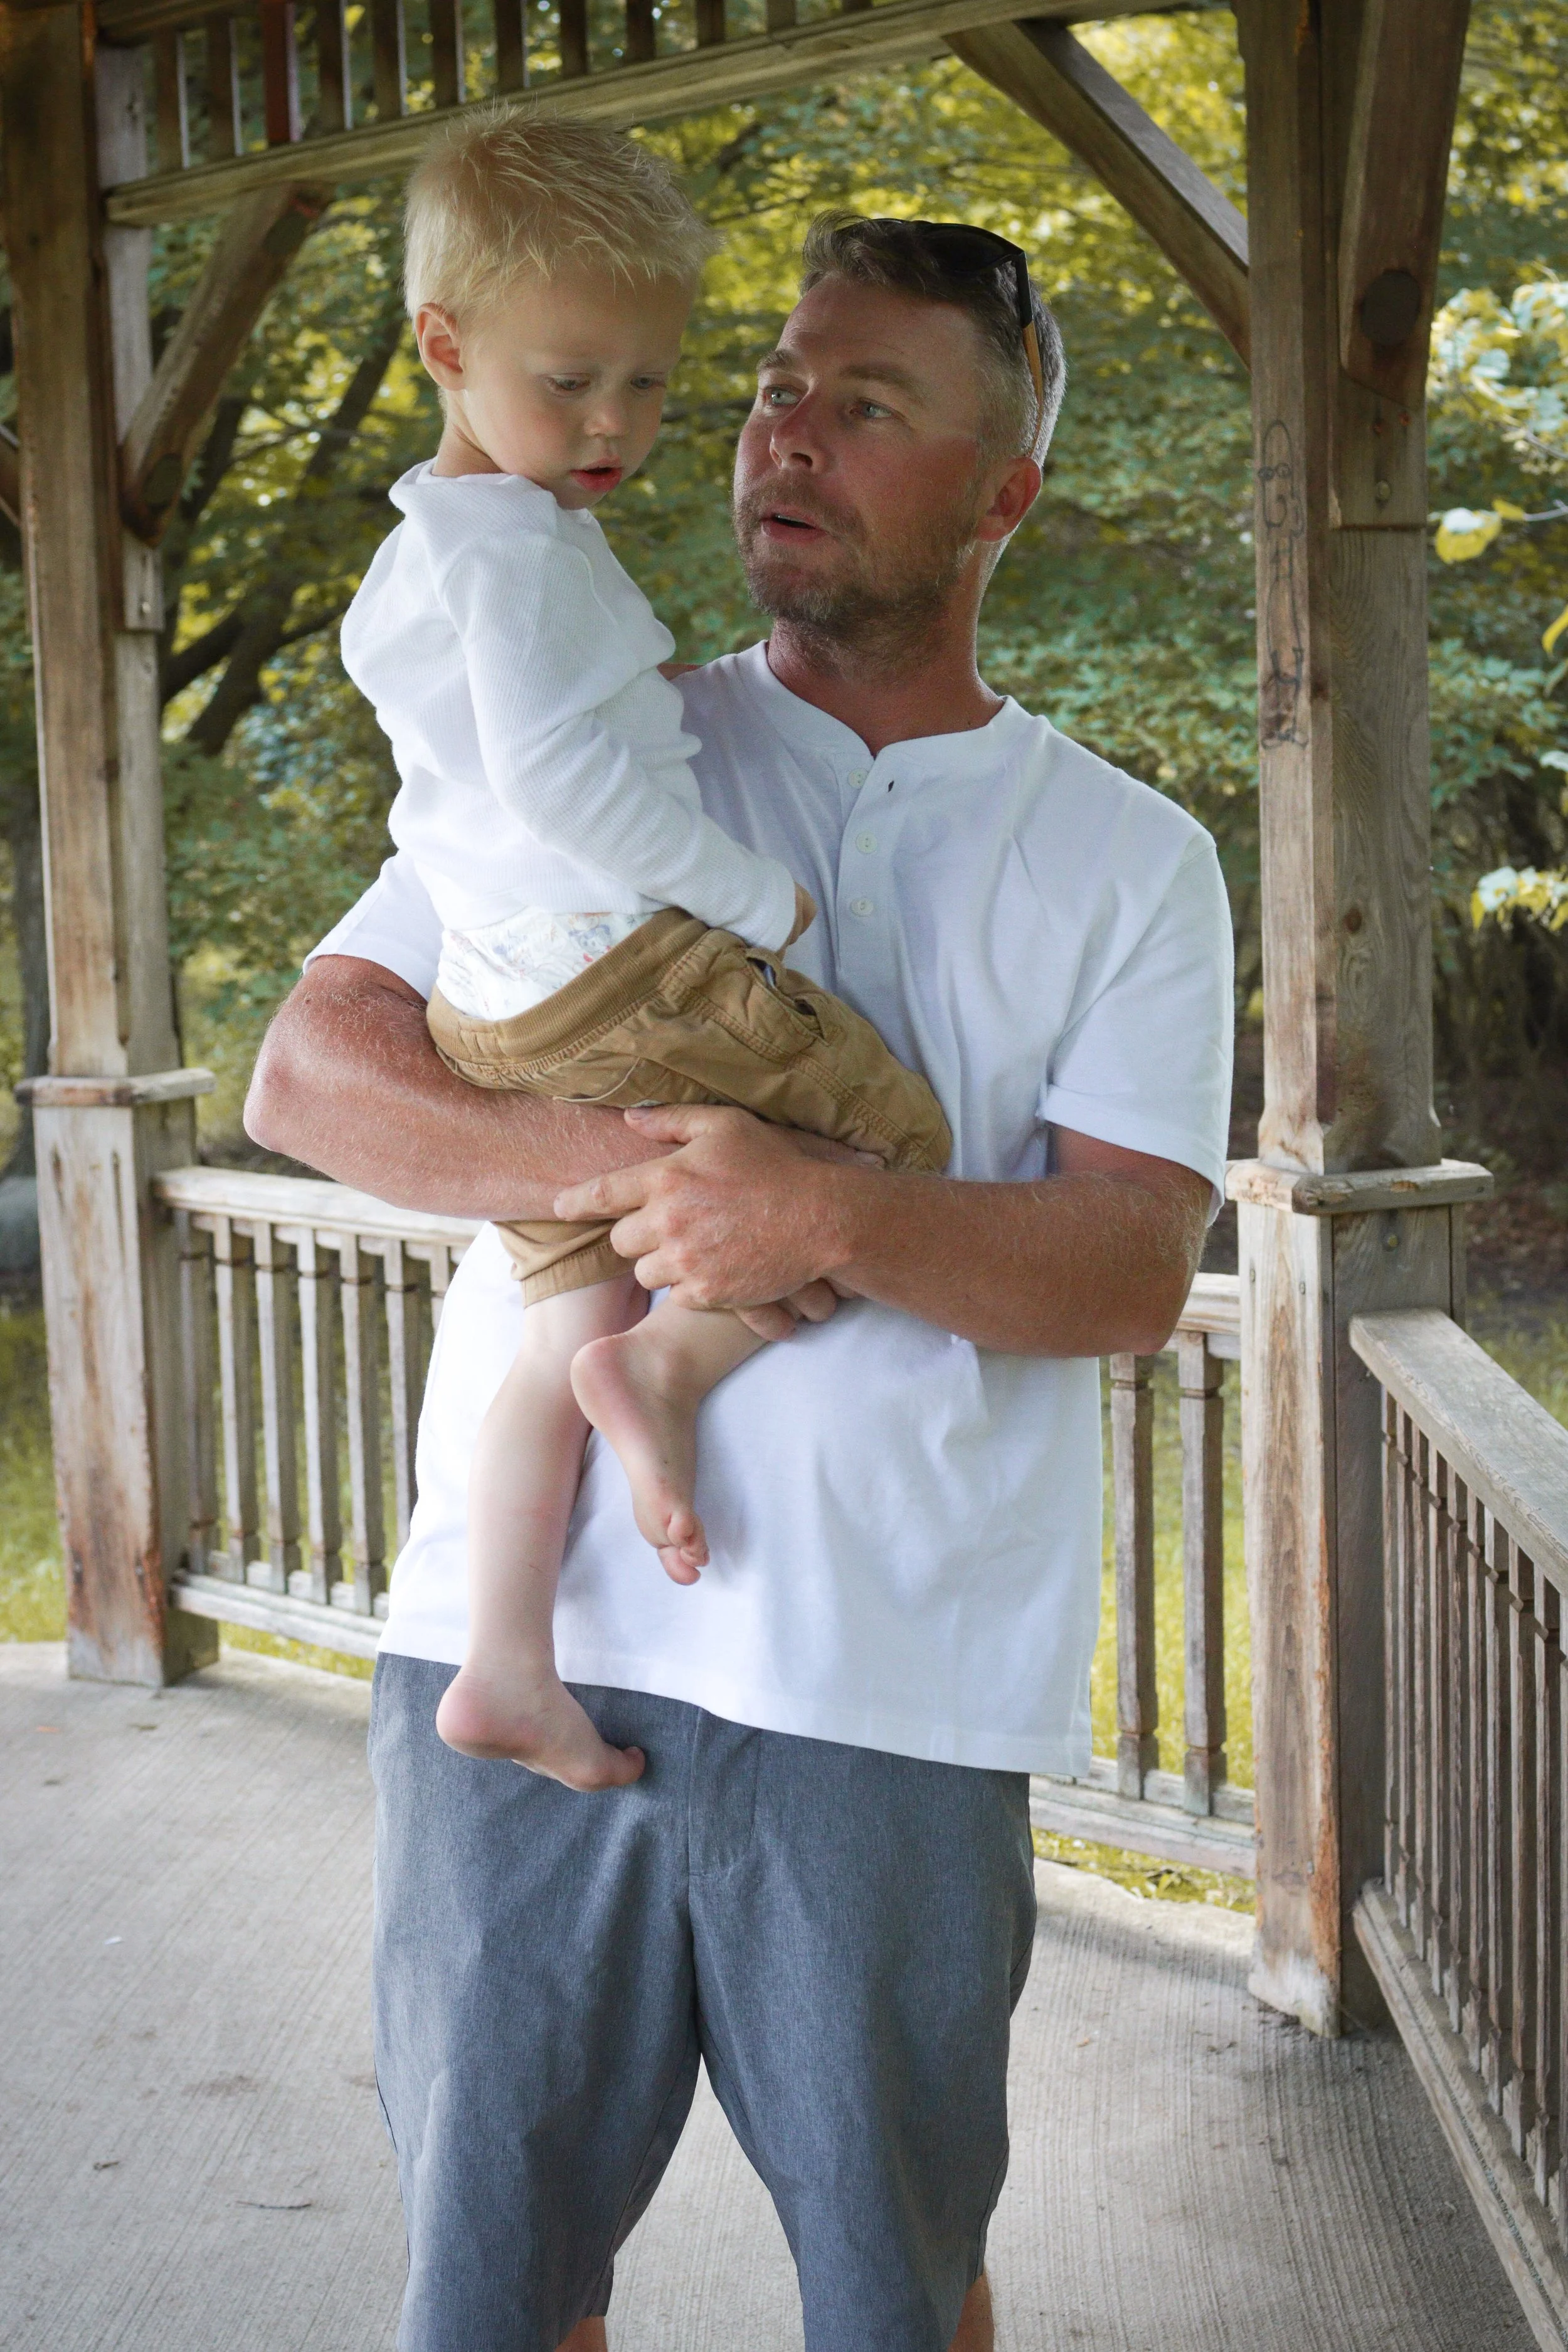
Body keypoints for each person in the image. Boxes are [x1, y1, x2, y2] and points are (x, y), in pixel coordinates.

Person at [247, 209, 1234, 2352]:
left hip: (893, 1690)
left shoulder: (1133, 858)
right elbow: (311, 1075)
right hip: (518, 1655)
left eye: (865, 405)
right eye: (778, 389)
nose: (784, 433)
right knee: (490, 2302)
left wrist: (826, 1213)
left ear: (1002, 492)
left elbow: (1129, 1266)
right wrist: (652, 1179)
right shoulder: (588, 730)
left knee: (898, 2299)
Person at [341, 115, 953, 1792]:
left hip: (494, 1004)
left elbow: (465, 783)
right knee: (890, 1144)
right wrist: (753, 900)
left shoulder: (422, 550)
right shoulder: (519, 553)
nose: (612, 423)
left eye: (649, 385)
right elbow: (561, 783)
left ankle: (505, 1664)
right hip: (619, 970)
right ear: (444, 347)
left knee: (559, 1326)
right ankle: (673, 1365)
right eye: (570, 382)